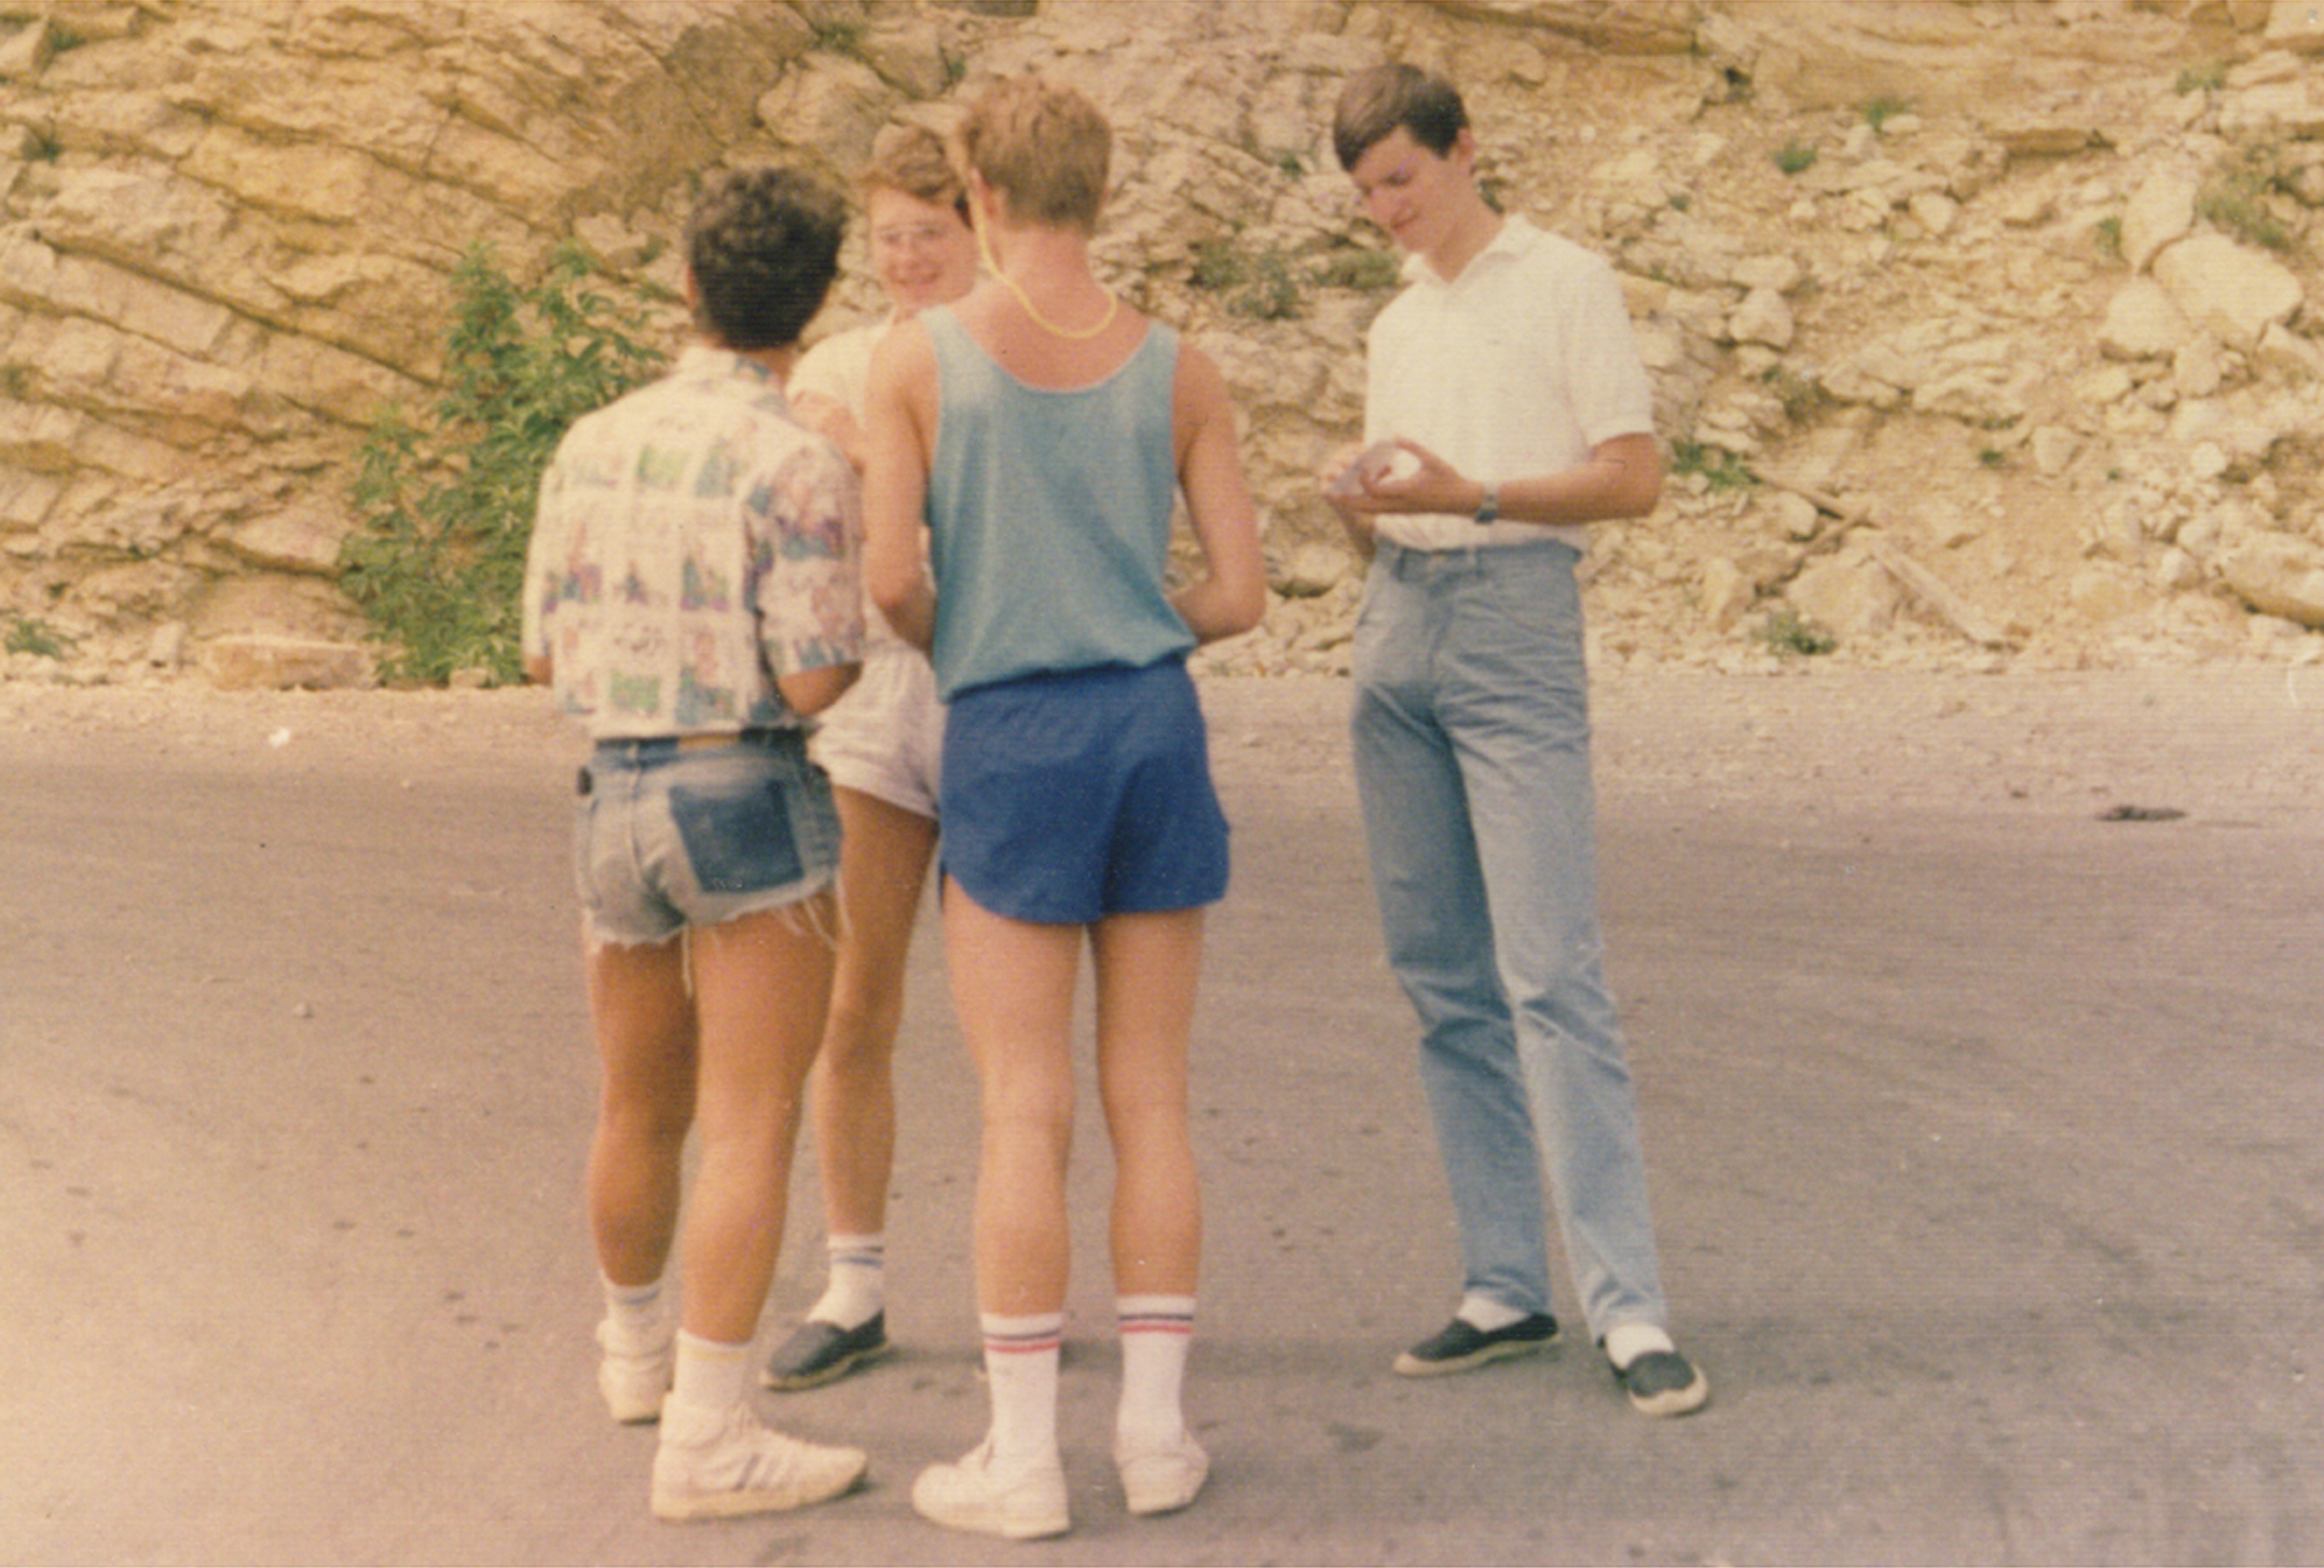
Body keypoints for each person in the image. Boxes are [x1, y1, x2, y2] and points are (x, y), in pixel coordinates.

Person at [859, 76, 1266, 1540]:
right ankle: (1154, 1437)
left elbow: (890, 581)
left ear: (976, 193)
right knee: (1149, 1094)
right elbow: (1237, 593)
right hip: (1150, 723)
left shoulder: (914, 362)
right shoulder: (1180, 368)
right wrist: (1124, 622)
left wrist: (985, 630)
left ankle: (1023, 1458)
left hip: (1012, 729)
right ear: (1100, 192)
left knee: (1020, 1107)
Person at [1320, 64, 1709, 1419]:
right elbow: (1400, 506)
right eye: (1367, 192)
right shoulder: (1395, 321)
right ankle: (1502, 1284)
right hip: (1396, 624)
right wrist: (1360, 505)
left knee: (1551, 973)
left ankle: (1630, 1306)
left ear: (1463, 150)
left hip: (1514, 622)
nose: (1387, 209)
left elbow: (1633, 477)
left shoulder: (1564, 280)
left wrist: (1473, 493)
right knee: (1441, 974)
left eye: (1401, 179)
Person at [520, 164, 872, 1521]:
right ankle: (712, 1436)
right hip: (742, 790)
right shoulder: (797, 458)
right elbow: (814, 677)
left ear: (686, 282)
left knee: (635, 1102)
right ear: (816, 303)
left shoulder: (591, 440)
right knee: (751, 1121)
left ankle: (634, 1356)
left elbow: (543, 648)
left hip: (611, 787)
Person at [758, 123, 981, 1396]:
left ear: (977, 230)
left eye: (929, 235)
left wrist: (865, 450)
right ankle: (854, 1286)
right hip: (874, 691)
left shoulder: (1005, 348)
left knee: (1011, 1019)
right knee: (855, 1001)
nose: (906, 259)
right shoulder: (840, 359)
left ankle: (1023, 1279)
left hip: (988, 681)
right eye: (889, 237)